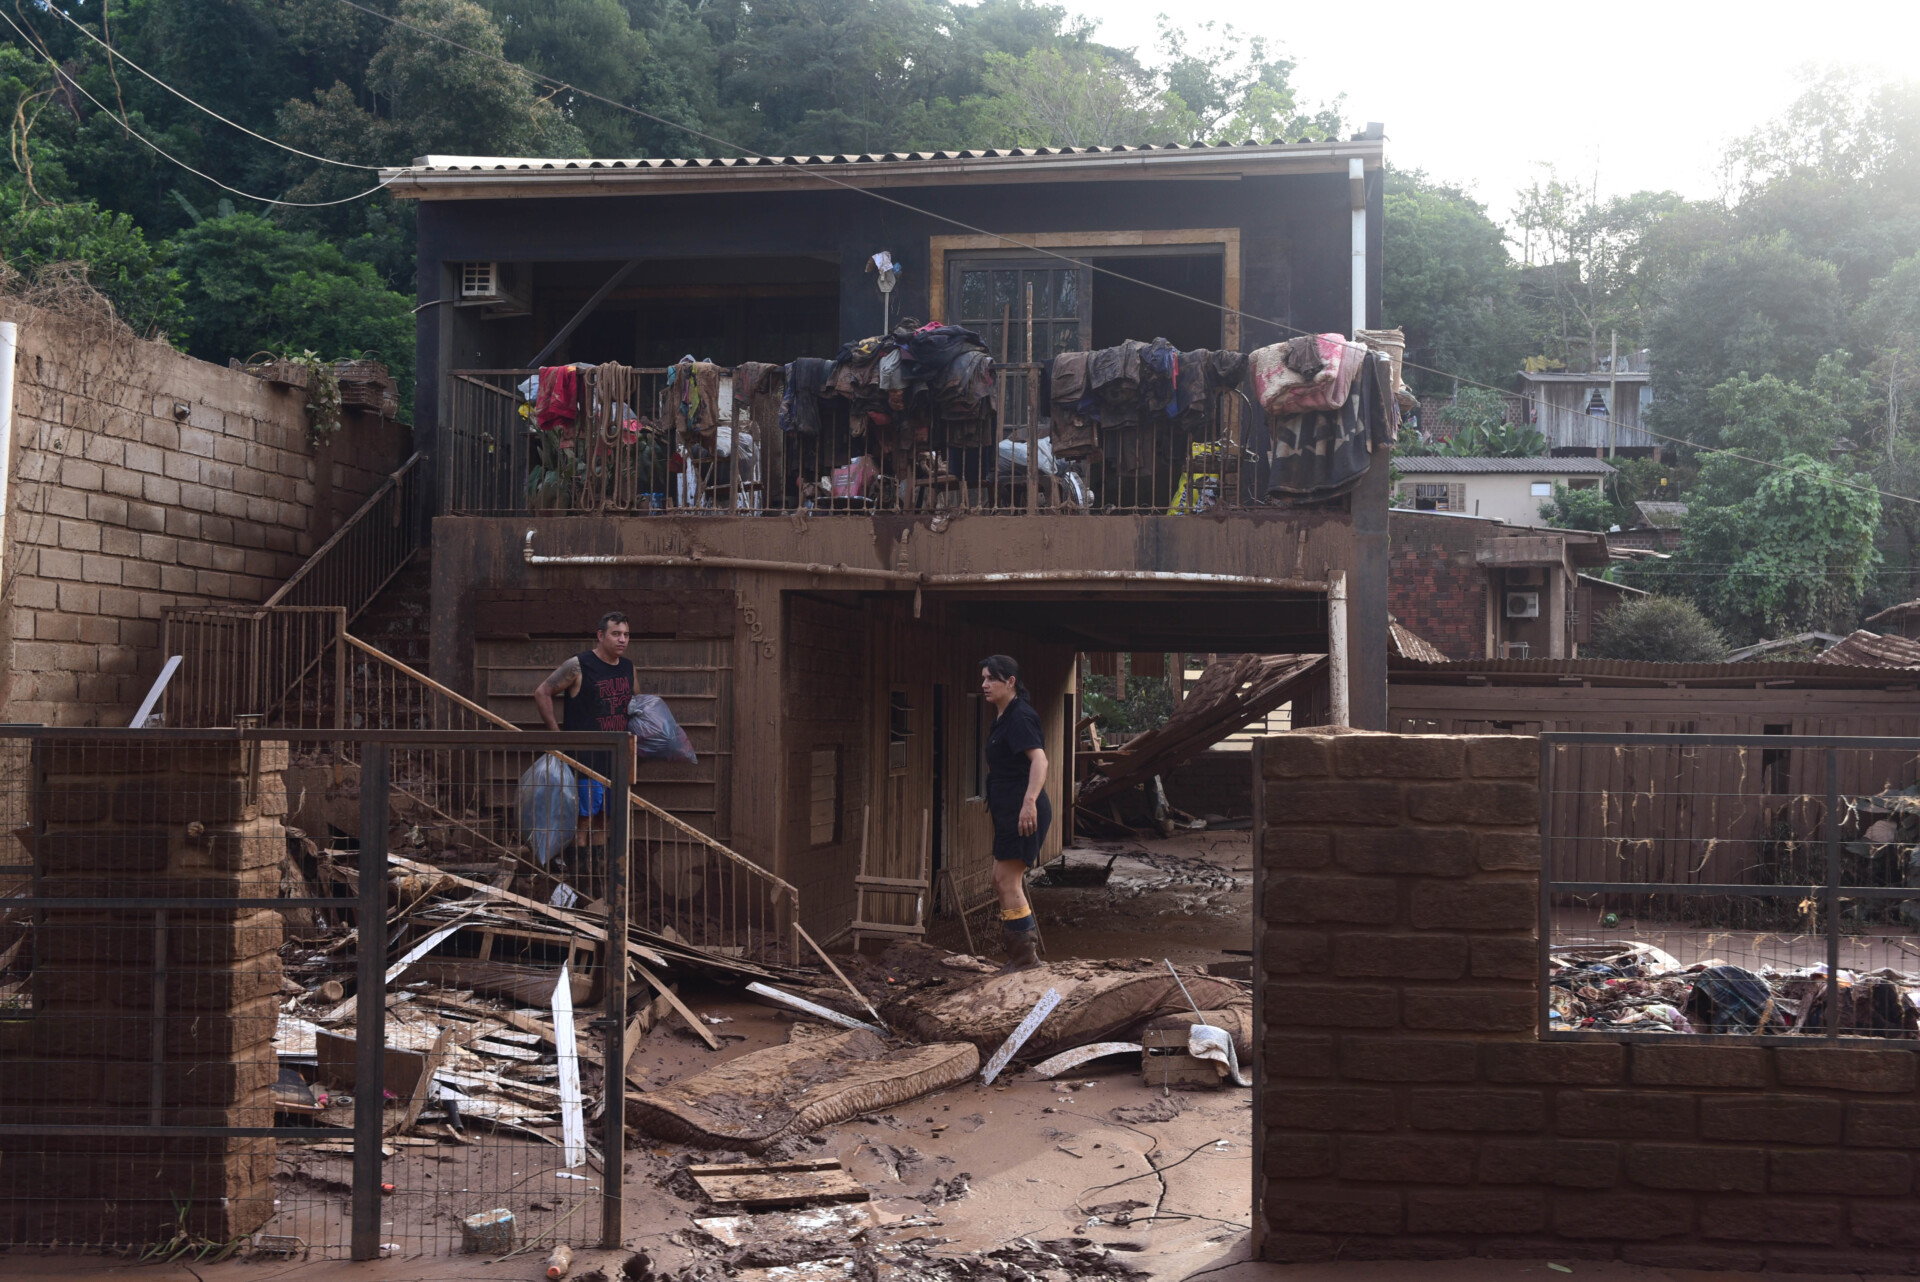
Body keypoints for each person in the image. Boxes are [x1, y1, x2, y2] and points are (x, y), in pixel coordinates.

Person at [979, 654, 1050, 972]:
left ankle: (1025, 959)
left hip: (1024, 811)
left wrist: (1029, 801)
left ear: (1010, 681)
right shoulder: (1003, 715)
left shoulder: (1020, 716)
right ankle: (1019, 956)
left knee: (1007, 881)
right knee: (1000, 879)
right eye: (983, 679)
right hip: (1009, 810)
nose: (984, 685)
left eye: (991, 679)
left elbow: (1040, 761)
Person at [532, 612, 636, 824]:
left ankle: (599, 859)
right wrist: (557, 738)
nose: (622, 640)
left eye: (626, 634)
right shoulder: (579, 665)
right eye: (616, 634)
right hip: (585, 760)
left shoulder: (628, 667)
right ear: (600, 635)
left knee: (607, 820)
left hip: (617, 759)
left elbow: (637, 705)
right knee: (583, 821)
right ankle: (578, 857)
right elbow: (542, 693)